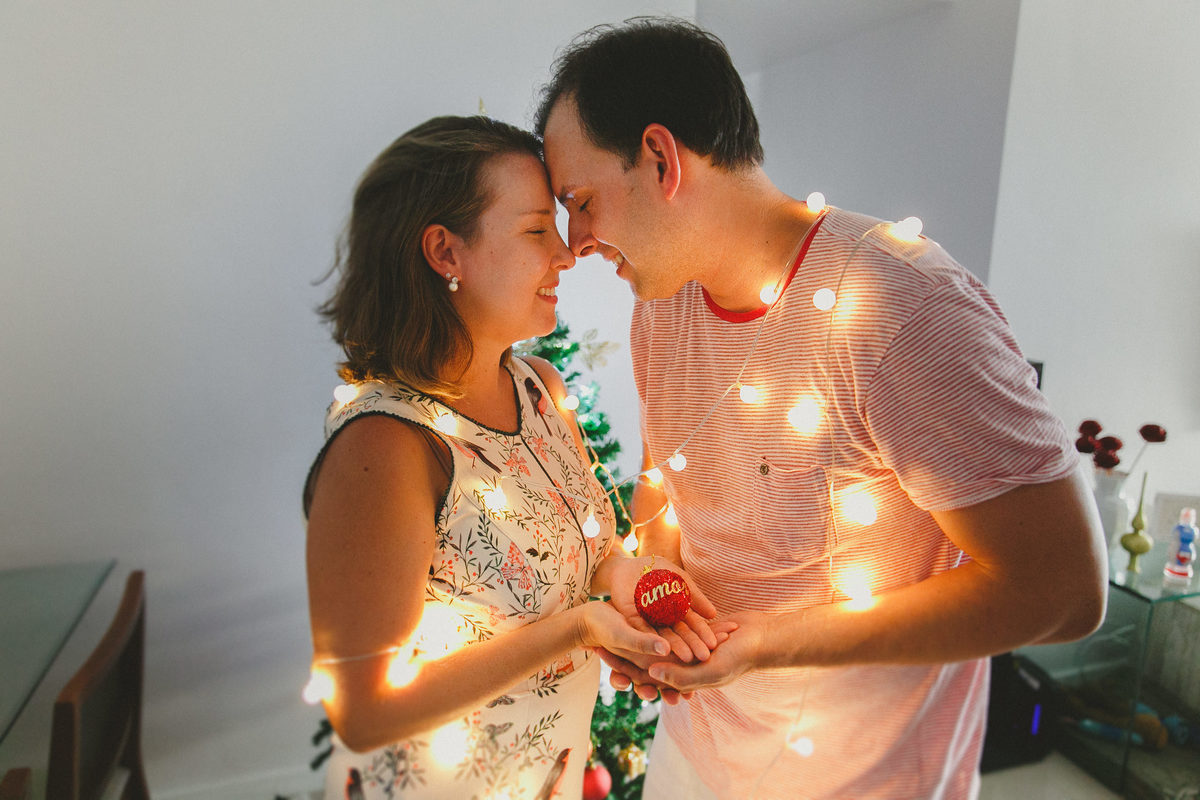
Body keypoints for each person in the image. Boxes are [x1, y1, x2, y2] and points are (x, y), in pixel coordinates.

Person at [536, 19, 1108, 800]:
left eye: (581, 201)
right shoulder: (662, 306)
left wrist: (766, 645)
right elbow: (669, 489)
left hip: (864, 781)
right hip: (694, 759)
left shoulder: (905, 310)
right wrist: (655, 591)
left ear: (661, 159)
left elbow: (1065, 588)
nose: (575, 242)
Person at [303, 115, 729, 800]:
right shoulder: (384, 447)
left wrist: (628, 585)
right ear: (446, 251)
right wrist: (578, 630)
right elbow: (362, 710)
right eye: (536, 230)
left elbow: (582, 558)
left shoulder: (540, 389)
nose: (565, 254)